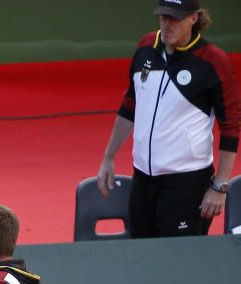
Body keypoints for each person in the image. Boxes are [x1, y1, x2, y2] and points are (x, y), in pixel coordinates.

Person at [97, 0, 239, 238]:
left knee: (181, 266)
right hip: (142, 180)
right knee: (142, 259)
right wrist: (108, 156)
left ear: (194, 18)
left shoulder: (212, 61)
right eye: (163, 17)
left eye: (175, 19)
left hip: (187, 184)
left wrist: (220, 186)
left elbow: (231, 126)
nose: (167, 25)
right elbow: (130, 105)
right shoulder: (145, 47)